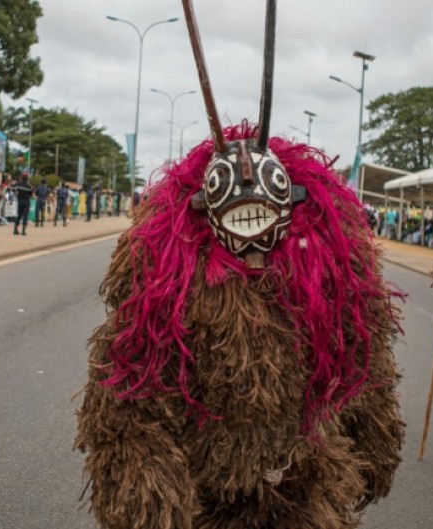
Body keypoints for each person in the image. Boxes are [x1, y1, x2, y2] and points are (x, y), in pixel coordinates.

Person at [76, 5, 403, 527]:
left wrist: (374, 443)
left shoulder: (323, 278)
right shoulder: (173, 285)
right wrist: (149, 494)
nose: (248, 195)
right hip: (210, 493)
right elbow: (128, 396)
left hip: (304, 480)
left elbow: (363, 362)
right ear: (203, 208)